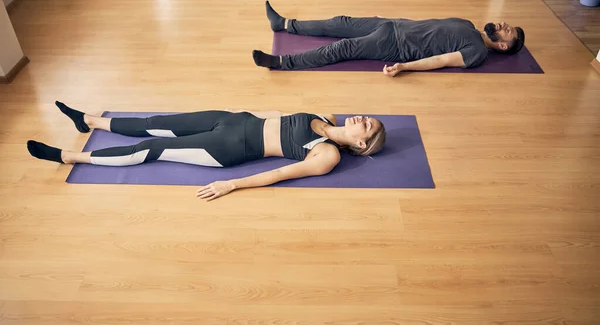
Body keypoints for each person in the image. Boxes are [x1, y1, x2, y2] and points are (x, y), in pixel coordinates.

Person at [27, 101, 386, 201]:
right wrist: (242, 112)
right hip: (231, 120)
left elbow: (278, 174)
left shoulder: (328, 155)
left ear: (360, 144)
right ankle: (89, 121)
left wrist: (232, 185)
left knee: (154, 147)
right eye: (368, 119)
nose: (364, 119)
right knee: (156, 121)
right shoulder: (326, 114)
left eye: (367, 127)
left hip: (229, 147)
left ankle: (69, 157)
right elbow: (276, 113)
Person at [252, 1, 525, 75]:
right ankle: (284, 24)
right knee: (339, 22)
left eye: (506, 30)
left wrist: (405, 66)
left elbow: (441, 60)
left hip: (396, 45)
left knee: (342, 48)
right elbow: (428, 24)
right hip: (392, 25)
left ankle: (279, 62)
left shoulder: (476, 51)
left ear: (501, 45)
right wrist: (390, 18)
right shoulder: (468, 24)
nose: (502, 24)